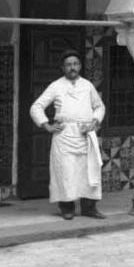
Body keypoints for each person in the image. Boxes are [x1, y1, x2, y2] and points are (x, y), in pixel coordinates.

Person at [30, 50, 107, 220]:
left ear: (79, 66)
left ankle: (89, 208)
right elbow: (36, 107)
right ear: (63, 68)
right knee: (65, 172)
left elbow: (100, 107)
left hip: (85, 135)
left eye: (75, 64)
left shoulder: (87, 85)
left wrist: (94, 122)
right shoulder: (56, 86)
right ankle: (67, 208)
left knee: (89, 171)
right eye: (68, 65)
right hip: (64, 137)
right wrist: (46, 125)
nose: (72, 67)